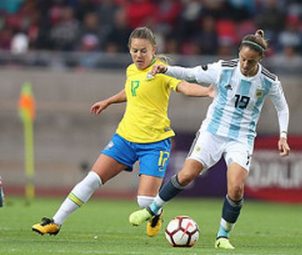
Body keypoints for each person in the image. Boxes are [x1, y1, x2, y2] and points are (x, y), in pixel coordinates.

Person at [32, 27, 213, 237]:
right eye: (135, 51)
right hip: (125, 138)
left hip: (155, 143)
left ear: (153, 50)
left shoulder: (162, 71)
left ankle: (156, 212)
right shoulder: (131, 70)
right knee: (91, 179)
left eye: (143, 51)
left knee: (144, 201)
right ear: (129, 51)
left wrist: (207, 91)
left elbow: (183, 87)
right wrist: (108, 101)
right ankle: (55, 222)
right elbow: (131, 90)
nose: (138, 55)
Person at [129, 29, 290, 249]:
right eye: (242, 58)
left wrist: (283, 135)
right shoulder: (224, 69)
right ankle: (151, 210)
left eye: (250, 61)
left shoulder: (269, 81)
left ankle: (222, 236)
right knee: (186, 175)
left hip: (241, 138)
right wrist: (166, 68)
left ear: (260, 60)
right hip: (213, 131)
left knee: (236, 189)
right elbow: (191, 73)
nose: (244, 64)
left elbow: (282, 107)